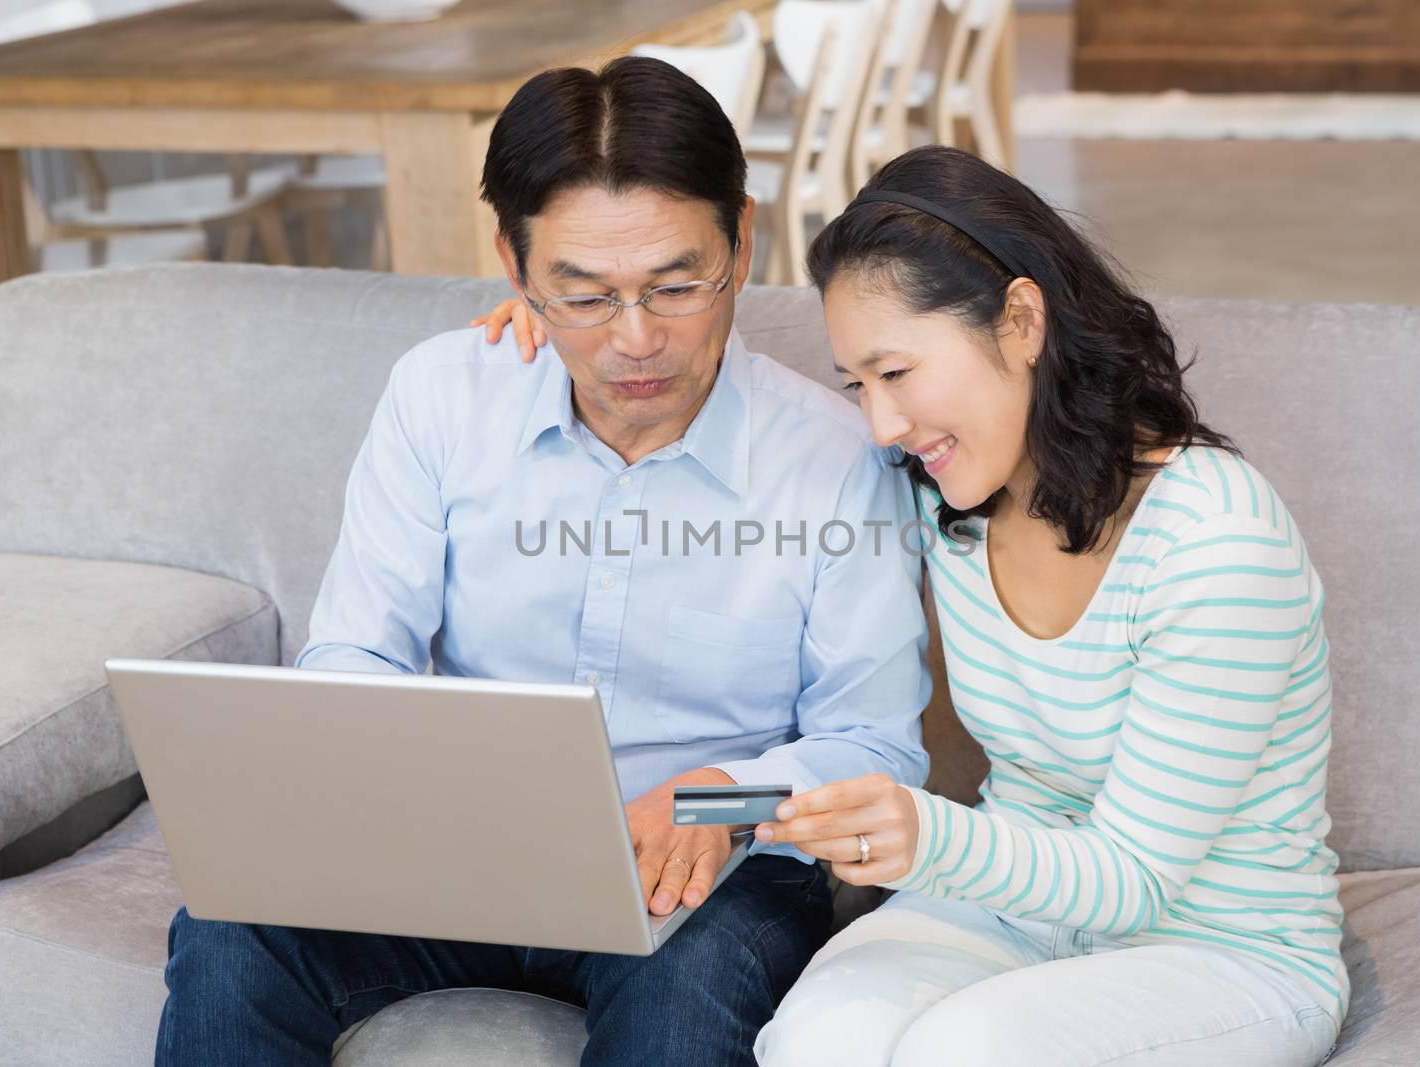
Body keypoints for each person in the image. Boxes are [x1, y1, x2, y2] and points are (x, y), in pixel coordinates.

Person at [483, 145, 1346, 1066]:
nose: (880, 425)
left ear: (1020, 320)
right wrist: (558, 334)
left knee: (965, 1049)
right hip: (1016, 909)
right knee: (814, 1042)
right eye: (860, 385)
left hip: (1222, 952)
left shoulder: (1216, 540)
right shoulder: (949, 501)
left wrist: (922, 831)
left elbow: (1131, 879)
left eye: (897, 373)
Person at [153, 58, 930, 1067]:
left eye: (676, 284)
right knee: (227, 929)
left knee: (684, 1012)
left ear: (742, 240)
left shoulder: (836, 454)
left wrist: (714, 795)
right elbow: (354, 652)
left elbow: (878, 744)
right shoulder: (441, 396)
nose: (636, 340)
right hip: (451, 856)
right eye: (584, 295)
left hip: (708, 880)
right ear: (515, 270)